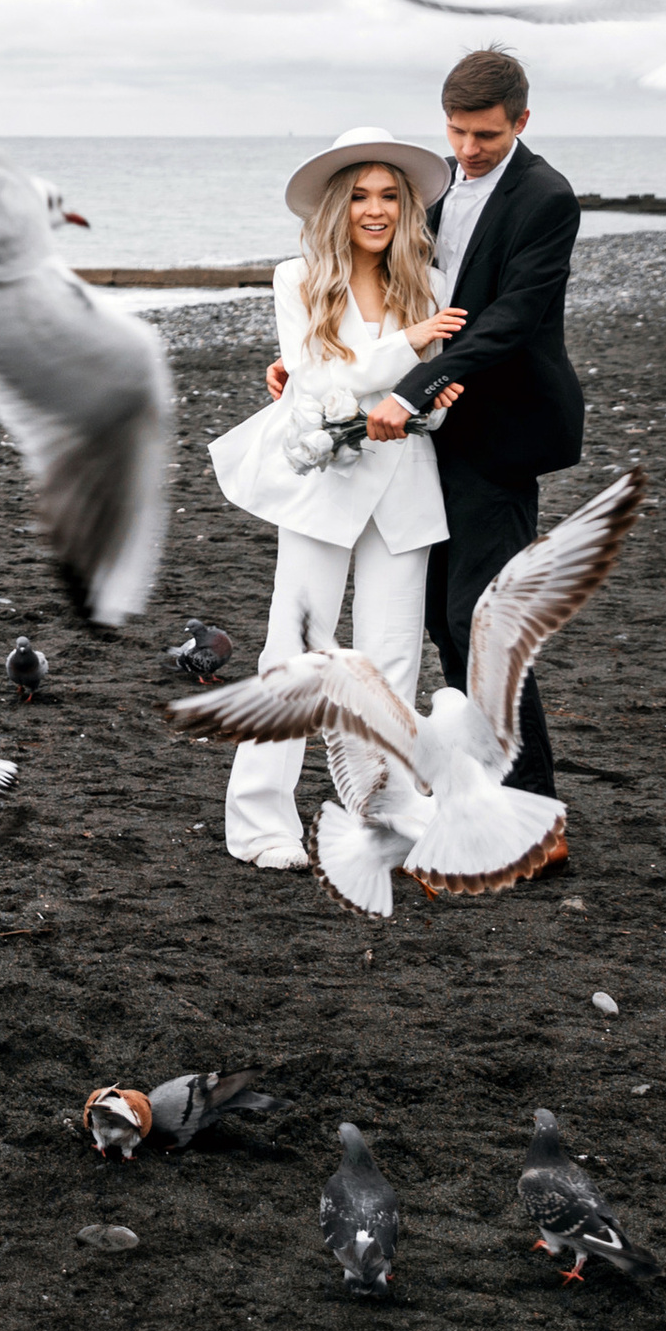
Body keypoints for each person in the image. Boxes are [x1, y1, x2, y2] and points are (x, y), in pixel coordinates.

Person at [209, 127, 463, 867]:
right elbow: (315, 382)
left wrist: (426, 390)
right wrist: (408, 347)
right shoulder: (298, 278)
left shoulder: (432, 281)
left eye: (389, 195)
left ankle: (384, 816)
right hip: (325, 483)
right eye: (360, 196)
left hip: (408, 486)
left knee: (389, 663)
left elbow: (435, 405)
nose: (375, 210)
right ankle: (261, 825)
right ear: (336, 205)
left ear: (406, 205)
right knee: (293, 652)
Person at [359, 48, 584, 816]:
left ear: (521, 121)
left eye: (485, 135)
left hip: (501, 431)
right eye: (456, 132)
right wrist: (311, 363)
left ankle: (535, 812)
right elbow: (386, 293)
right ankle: (482, 788)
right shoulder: (432, 186)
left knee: (482, 621)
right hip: (430, 437)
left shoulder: (546, 198)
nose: (468, 149)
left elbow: (512, 320)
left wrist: (415, 387)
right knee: (438, 618)